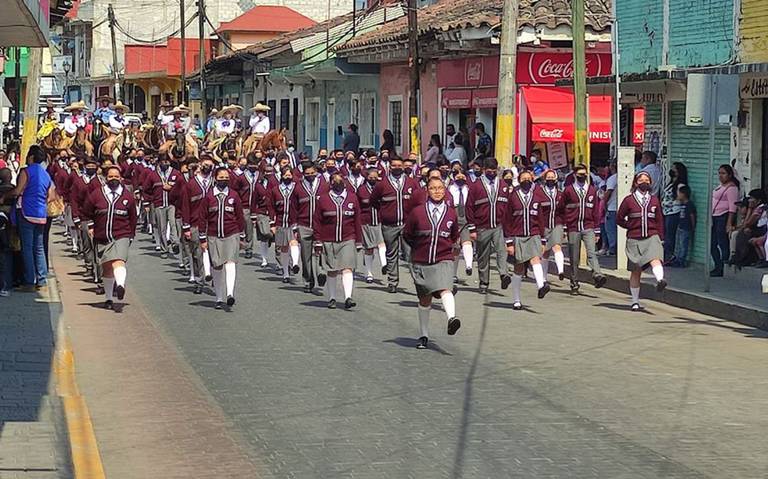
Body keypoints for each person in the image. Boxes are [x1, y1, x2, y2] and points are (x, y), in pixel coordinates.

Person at [403, 177, 461, 350]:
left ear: (445, 191)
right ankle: (424, 335)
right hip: (421, 260)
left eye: (440, 188)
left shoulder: (451, 213)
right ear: (427, 191)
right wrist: (417, 249)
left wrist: (451, 248)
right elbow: (407, 234)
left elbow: (454, 235)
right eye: (433, 188)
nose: (437, 191)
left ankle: (452, 318)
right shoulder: (417, 212)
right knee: (424, 299)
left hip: (443, 258)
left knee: (446, 287)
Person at [80, 166, 137, 310]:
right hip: (102, 236)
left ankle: (120, 285)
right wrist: (91, 226)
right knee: (106, 268)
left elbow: (133, 218)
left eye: (116, 177)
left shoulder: (127, 197)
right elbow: (86, 212)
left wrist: (131, 235)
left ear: (121, 179)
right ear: (106, 178)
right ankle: (109, 298)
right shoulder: (96, 195)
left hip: (121, 234)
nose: (113, 179)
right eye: (111, 177)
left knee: (118, 261)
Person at [0, 145, 51, 291]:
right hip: (41, 214)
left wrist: (4, 197)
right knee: (39, 247)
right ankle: (42, 280)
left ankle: (29, 281)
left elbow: (17, 191)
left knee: (27, 248)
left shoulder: (27, 172)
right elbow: (52, 195)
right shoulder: (45, 174)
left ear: (31, 157)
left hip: (27, 212)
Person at [616, 171, 667, 311]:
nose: (644, 182)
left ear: (650, 183)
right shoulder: (629, 200)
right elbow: (619, 218)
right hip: (634, 238)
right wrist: (630, 226)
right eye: (641, 180)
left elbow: (659, 220)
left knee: (655, 258)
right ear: (636, 183)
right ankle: (635, 301)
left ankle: (660, 280)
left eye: (647, 180)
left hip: (652, 236)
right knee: (636, 270)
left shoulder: (655, 200)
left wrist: (661, 237)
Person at [313, 172, 362, 309]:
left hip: (348, 238)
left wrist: (358, 241)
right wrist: (318, 240)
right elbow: (317, 221)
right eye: (335, 181)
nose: (338, 183)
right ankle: (332, 298)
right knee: (332, 270)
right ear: (331, 183)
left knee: (347, 267)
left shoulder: (352, 198)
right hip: (328, 239)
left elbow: (357, 220)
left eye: (341, 180)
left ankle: (348, 297)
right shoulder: (323, 199)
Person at [199, 167, 245, 310]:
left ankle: (230, 294)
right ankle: (219, 297)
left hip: (232, 234)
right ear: (215, 178)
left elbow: (240, 216)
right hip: (213, 235)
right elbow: (202, 218)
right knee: (217, 266)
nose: (224, 180)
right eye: (221, 177)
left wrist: (242, 236)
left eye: (226, 177)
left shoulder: (234, 196)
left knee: (230, 262)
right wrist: (202, 239)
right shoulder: (209, 197)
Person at [370, 156, 419, 293]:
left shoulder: (412, 183)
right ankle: (392, 282)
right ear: (390, 167)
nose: (397, 168)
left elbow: (418, 202)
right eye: (394, 165)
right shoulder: (382, 184)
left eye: (400, 165)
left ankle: (418, 282)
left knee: (410, 254)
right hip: (389, 225)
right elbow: (374, 201)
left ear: (403, 167)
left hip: (407, 225)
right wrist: (384, 213)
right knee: (391, 254)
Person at [503, 170, 550, 309]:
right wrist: (509, 241)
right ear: (519, 180)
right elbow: (507, 220)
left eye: (529, 179)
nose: (526, 181)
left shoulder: (536, 197)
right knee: (518, 268)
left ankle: (541, 285)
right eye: (523, 178)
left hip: (534, 234)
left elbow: (541, 219)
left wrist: (543, 239)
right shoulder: (513, 197)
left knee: (536, 258)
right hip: (518, 235)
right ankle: (516, 300)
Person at [465, 157, 511, 294]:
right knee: (483, 255)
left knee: (501, 250)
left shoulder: (503, 185)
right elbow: (469, 207)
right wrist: (472, 228)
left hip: (499, 225)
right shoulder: (476, 186)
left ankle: (504, 274)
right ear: (484, 170)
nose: (492, 173)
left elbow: (508, 207)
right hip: (482, 226)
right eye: (489, 171)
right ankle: (484, 282)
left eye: (494, 171)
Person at [561, 164, 606, 293]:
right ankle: (574, 282)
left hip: (588, 226)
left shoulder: (592, 190)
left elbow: (596, 211)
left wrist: (597, 229)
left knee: (591, 253)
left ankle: (597, 274)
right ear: (575, 175)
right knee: (574, 257)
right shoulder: (568, 190)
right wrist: (565, 226)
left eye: (584, 175)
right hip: (573, 227)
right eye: (580, 175)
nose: (582, 177)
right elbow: (562, 209)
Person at [181, 154, 214, 294]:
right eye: (206, 165)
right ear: (200, 165)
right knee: (197, 253)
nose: (208, 168)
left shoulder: (214, 182)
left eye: (211, 166)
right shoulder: (191, 184)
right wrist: (186, 227)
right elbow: (185, 206)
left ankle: (213, 277)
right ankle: (199, 281)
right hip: (195, 224)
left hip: (213, 224)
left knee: (214, 253)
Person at [295, 162, 328, 293]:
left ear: (316, 172)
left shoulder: (324, 186)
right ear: (303, 174)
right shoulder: (298, 187)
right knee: (306, 255)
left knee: (321, 251)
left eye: (312, 173)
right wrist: (294, 227)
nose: (310, 175)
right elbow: (294, 208)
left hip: (321, 225)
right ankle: (308, 280)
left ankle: (321, 272)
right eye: (307, 174)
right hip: (304, 225)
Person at [142, 155, 183, 258]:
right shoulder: (153, 175)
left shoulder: (176, 174)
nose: (165, 163)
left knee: (173, 224)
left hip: (172, 204)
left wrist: (171, 188)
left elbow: (181, 188)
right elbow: (146, 190)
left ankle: (175, 242)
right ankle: (164, 249)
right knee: (162, 228)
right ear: (159, 162)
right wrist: (146, 203)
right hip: (159, 204)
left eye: (167, 161)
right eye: (163, 161)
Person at [267, 166, 301, 283]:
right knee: (284, 248)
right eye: (286, 175)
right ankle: (285, 273)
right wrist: (272, 223)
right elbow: (271, 207)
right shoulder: (275, 190)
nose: (288, 177)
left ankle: (295, 263)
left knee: (294, 242)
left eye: (289, 175)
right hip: (281, 222)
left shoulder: (296, 189)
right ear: (281, 176)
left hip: (294, 221)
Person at [357, 166, 387, 283]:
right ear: (366, 177)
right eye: (371, 177)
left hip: (380, 221)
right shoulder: (361, 190)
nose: (373, 179)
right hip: (366, 221)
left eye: (375, 177)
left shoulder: (381, 188)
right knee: (369, 249)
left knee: (381, 243)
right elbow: (358, 207)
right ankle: (368, 273)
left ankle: (384, 264)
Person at [535, 168, 566, 280]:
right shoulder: (539, 192)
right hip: (543, 225)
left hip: (557, 223)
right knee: (545, 252)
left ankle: (561, 270)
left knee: (557, 246)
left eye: (552, 178)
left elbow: (563, 211)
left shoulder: (561, 194)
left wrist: (565, 227)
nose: (550, 180)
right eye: (548, 178)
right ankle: (543, 278)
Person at [710, 164, 740, 277]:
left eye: (723, 173)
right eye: (719, 173)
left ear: (730, 175)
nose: (720, 176)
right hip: (715, 216)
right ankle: (718, 265)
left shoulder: (732, 188)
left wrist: (729, 222)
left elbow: (733, 207)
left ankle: (723, 267)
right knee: (712, 244)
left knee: (722, 243)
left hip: (723, 217)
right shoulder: (721, 186)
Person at [448, 167, 473, 278]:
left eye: (463, 177)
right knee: (456, 247)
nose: (461, 179)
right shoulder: (449, 189)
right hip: (454, 217)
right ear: (454, 178)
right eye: (458, 177)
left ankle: (469, 265)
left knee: (467, 242)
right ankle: (453, 274)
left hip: (466, 218)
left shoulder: (469, 189)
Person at [661, 162, 688, 261]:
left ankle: (669, 255)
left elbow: (681, 198)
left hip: (673, 212)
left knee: (670, 235)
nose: (671, 170)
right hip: (666, 211)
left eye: (674, 169)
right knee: (665, 234)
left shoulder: (680, 185)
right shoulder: (670, 183)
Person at [670, 185, 696, 267]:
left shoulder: (689, 204)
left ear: (684, 194)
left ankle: (681, 261)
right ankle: (677, 259)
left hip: (686, 228)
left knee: (683, 245)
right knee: (679, 244)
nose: (678, 195)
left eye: (679, 193)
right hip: (681, 227)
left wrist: (693, 226)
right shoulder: (682, 204)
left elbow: (692, 216)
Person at [601, 161, 618, 256]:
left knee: (611, 230)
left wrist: (604, 203)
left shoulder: (612, 178)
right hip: (619, 207)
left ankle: (613, 249)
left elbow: (608, 192)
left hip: (612, 208)